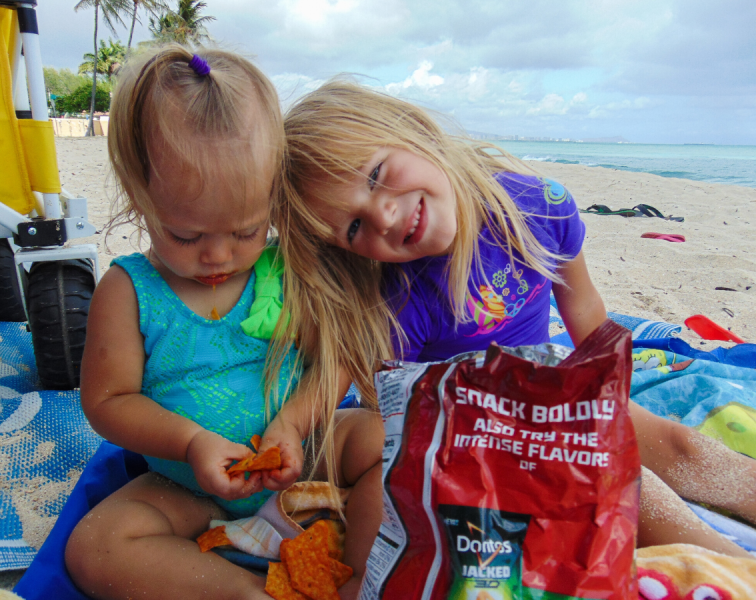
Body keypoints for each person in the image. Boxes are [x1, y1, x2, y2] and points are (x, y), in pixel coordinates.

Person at [273, 79, 756, 558]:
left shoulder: (538, 208)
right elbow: (374, 398)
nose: (383, 214)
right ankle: (734, 566)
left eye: (376, 174)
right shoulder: (401, 302)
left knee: (683, 448)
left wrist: (606, 383)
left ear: (411, 130)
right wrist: (291, 427)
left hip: (555, 382)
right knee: (629, 483)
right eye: (354, 227)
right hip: (482, 427)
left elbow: (583, 304)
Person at [65, 49, 383, 600]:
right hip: (188, 485)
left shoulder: (287, 270)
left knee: (388, 441)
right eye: (186, 236)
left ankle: (357, 581)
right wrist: (191, 443)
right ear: (139, 195)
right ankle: (241, 591)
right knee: (97, 545)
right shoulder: (129, 291)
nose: (218, 256)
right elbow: (109, 402)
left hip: (310, 452)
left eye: (246, 231)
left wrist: (292, 425)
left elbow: (337, 361)